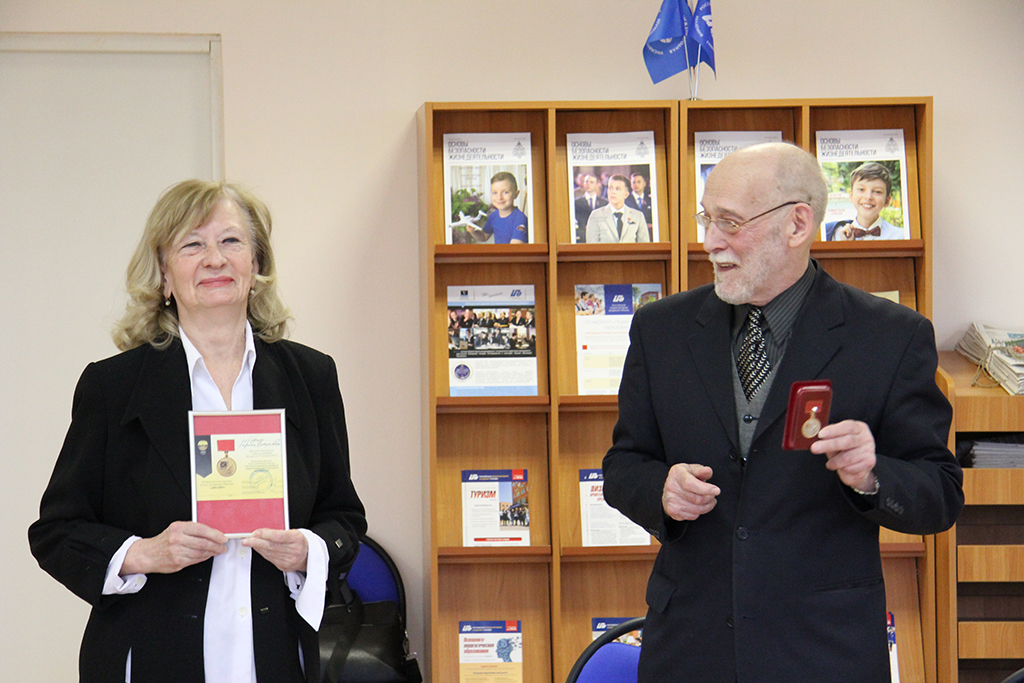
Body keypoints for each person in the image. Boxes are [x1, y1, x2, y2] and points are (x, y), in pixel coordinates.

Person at [601, 143, 962, 682]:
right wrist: (661, 490)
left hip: (825, 651)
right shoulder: (662, 330)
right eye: (706, 219)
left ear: (797, 224)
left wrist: (871, 476)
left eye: (729, 222)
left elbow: (940, 495)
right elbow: (623, 466)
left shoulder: (891, 336)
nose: (710, 241)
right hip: (690, 649)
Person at [29, 180, 367, 683]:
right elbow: (56, 532)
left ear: (255, 264)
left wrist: (307, 551)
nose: (215, 259)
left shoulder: (312, 377)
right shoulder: (112, 387)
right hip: (149, 659)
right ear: (164, 275)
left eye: (231, 241)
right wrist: (144, 553)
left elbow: (343, 517)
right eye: (192, 245)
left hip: (276, 658)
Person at [826, 161, 904, 240]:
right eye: (861, 189)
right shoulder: (833, 234)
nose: (868, 197)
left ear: (887, 200)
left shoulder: (900, 236)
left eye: (877, 191)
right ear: (851, 195)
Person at [585, 174, 650, 243]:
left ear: (626, 194)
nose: (613, 192)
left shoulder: (638, 216)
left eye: (617, 189)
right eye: (610, 188)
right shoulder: (596, 215)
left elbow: (644, 245)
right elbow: (591, 246)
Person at [466, 171, 527, 244]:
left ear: (516, 194)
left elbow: (515, 247)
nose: (499, 197)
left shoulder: (520, 218)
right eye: (495, 193)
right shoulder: (493, 216)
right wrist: (473, 231)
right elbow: (484, 236)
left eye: (505, 192)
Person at [573, 174, 607, 242]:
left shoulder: (604, 203)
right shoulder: (576, 202)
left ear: (597, 185)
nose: (588, 184)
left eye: (591, 182)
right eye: (586, 181)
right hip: (583, 238)